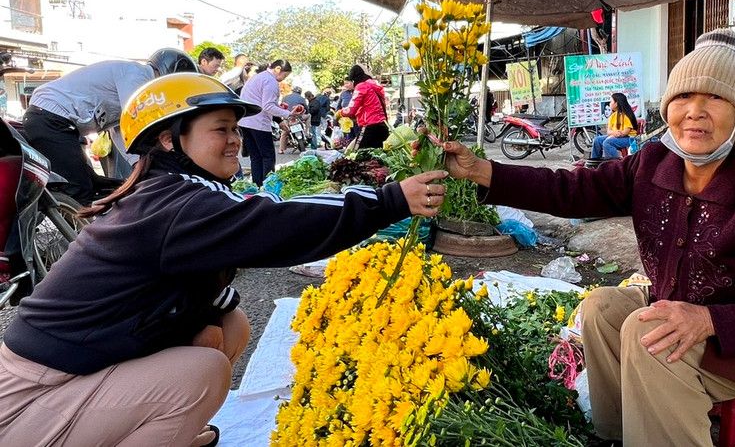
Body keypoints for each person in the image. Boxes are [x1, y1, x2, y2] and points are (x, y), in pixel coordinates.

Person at [0, 73, 447, 447]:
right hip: (32, 391)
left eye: (236, 128)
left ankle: (155, 426)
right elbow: (278, 225)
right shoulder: (176, 204)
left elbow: (204, 282)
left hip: (83, 365)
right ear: (168, 139)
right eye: (220, 129)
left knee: (230, 323)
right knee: (202, 371)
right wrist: (388, 201)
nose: (235, 140)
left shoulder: (174, 192)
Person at [442, 29, 735, 447]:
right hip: (680, 310)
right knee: (603, 305)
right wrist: (482, 172)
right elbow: (572, 191)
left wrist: (709, 320)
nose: (696, 112)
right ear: (668, 105)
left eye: (716, 98)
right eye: (684, 96)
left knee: (644, 333)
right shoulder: (652, 162)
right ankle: (620, 433)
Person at [21, 48, 198, 205]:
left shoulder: (136, 83)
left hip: (57, 123)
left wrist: (138, 163)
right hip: (50, 119)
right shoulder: (137, 75)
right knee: (79, 190)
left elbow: (122, 131)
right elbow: (142, 121)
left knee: (102, 185)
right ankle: (79, 239)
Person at [238, 59, 296, 185]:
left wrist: (279, 110)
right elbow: (268, 106)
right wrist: (289, 114)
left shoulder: (257, 77)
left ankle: (257, 185)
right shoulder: (270, 81)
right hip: (258, 123)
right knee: (268, 157)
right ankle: (268, 187)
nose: (283, 79)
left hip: (244, 121)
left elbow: (260, 101)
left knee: (256, 157)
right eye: (284, 76)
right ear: (278, 69)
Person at [340, 64, 388, 150]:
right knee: (379, 157)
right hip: (383, 126)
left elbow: (351, 110)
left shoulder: (362, 86)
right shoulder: (376, 86)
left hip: (370, 127)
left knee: (358, 155)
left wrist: (340, 113)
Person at [589, 92, 638, 159]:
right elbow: (608, 131)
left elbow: (625, 133)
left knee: (607, 143)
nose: (609, 103)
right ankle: (595, 161)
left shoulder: (626, 115)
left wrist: (612, 136)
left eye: (611, 101)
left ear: (616, 103)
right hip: (617, 136)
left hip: (629, 138)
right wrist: (613, 135)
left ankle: (615, 162)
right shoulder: (613, 116)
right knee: (597, 140)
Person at [278, 86, 308, 154]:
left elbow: (281, 106)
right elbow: (307, 108)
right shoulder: (302, 98)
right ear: (300, 92)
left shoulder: (285, 97)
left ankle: (281, 149)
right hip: (298, 117)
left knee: (284, 133)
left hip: (287, 117)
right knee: (308, 119)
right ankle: (307, 131)